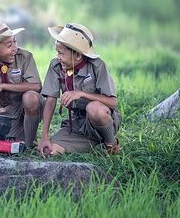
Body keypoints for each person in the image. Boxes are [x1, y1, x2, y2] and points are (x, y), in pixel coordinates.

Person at [37, 23, 120, 156]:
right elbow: (51, 100)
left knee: (94, 109)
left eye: (61, 53)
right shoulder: (56, 66)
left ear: (78, 56)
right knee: (48, 152)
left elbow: (112, 102)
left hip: (101, 120)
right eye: (57, 52)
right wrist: (45, 136)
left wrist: (81, 93)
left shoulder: (97, 66)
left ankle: (110, 143)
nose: (58, 57)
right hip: (77, 125)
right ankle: (91, 144)